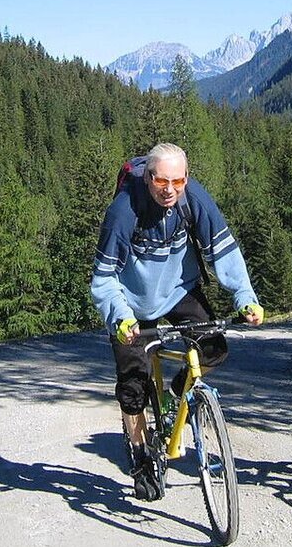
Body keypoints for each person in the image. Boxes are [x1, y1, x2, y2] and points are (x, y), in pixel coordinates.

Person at [90, 142, 264, 501]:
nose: (170, 190)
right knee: (133, 385)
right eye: (162, 181)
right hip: (131, 304)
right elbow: (104, 278)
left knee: (213, 347)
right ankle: (140, 457)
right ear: (149, 177)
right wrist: (121, 318)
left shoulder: (192, 199)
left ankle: (177, 391)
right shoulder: (124, 210)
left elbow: (224, 250)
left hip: (179, 289)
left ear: (186, 178)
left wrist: (245, 297)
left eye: (178, 180)